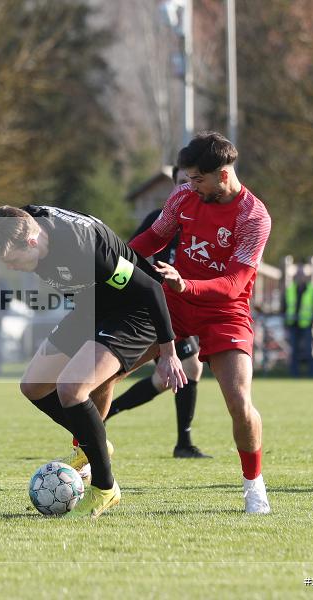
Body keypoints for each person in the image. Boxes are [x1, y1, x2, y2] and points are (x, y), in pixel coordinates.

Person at [0, 205, 187, 518]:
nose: (10, 268)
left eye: (13, 261)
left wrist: (168, 353)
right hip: (91, 307)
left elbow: (149, 289)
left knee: (71, 389)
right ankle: (96, 445)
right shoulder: (15, 224)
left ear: (33, 242)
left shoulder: (85, 246)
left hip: (133, 313)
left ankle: (106, 489)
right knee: (34, 385)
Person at [130, 131, 272, 514]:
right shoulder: (183, 196)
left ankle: (253, 485)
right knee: (108, 369)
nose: (189, 186)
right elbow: (155, 238)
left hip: (224, 312)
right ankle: (90, 462)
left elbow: (234, 284)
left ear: (223, 176)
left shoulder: (254, 217)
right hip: (174, 305)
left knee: (240, 402)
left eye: (198, 179)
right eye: (188, 178)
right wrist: (117, 258)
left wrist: (185, 282)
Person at [106, 166, 211, 459]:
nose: (186, 188)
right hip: (156, 307)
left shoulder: (202, 219)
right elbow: (130, 254)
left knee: (176, 374)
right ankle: (182, 443)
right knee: (184, 368)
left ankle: (104, 412)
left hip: (182, 307)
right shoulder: (160, 219)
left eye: (191, 182)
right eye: (180, 183)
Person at [283, 264, 313, 378]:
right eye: (298, 274)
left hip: (306, 324)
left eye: (302, 274)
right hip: (293, 324)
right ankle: (294, 374)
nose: (299, 276)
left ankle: (311, 374)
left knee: (309, 350)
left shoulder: (312, 290)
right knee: (294, 352)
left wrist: (312, 321)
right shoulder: (289, 289)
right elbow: (284, 307)